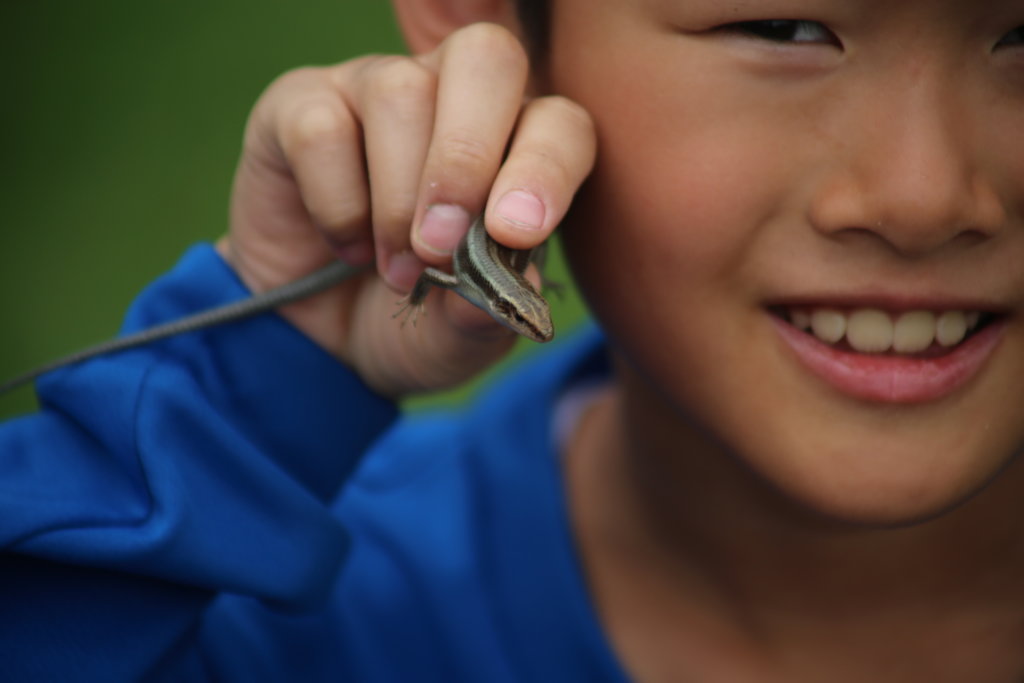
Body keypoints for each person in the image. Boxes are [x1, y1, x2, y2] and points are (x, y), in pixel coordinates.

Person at [3, 0, 1024, 680]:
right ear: (491, 21)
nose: (922, 195)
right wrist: (260, 380)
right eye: (786, 25)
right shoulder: (289, 610)